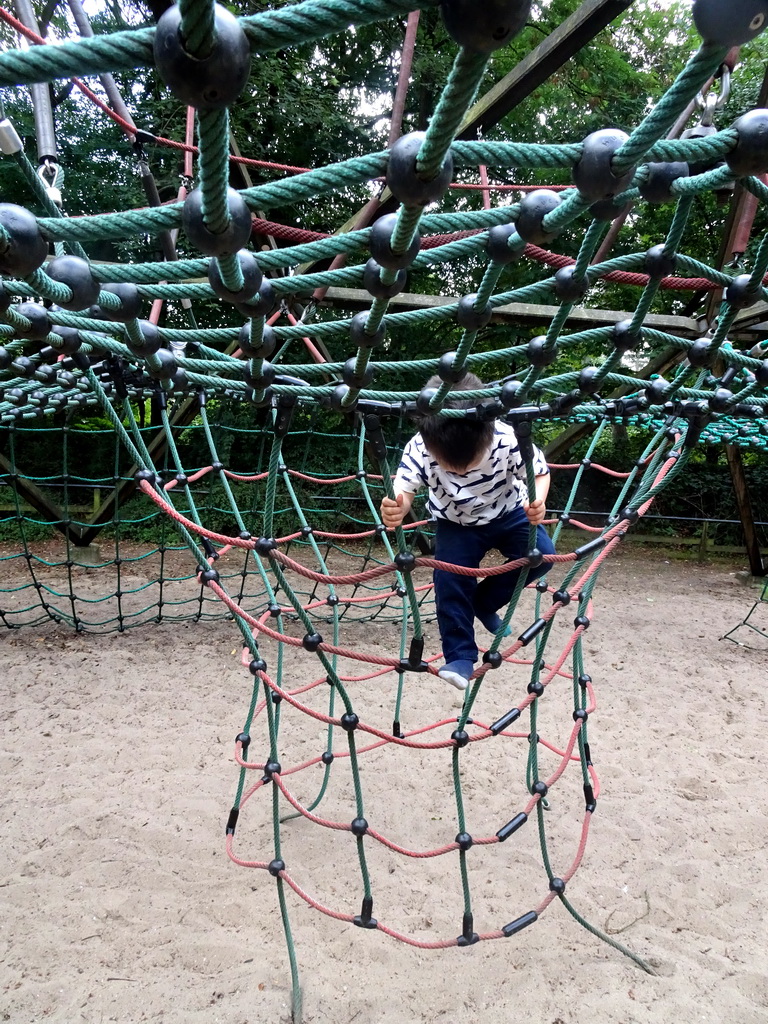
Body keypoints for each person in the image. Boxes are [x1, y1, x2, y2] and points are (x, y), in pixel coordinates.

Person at [380, 373, 554, 691]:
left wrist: (537, 500)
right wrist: (398, 506)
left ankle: (484, 602)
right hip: (454, 523)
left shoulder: (507, 438)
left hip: (509, 512)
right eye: (448, 464)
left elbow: (539, 473)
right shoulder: (420, 446)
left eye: (469, 463)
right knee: (449, 582)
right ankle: (460, 657)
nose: (459, 472)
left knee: (542, 555)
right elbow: (402, 489)